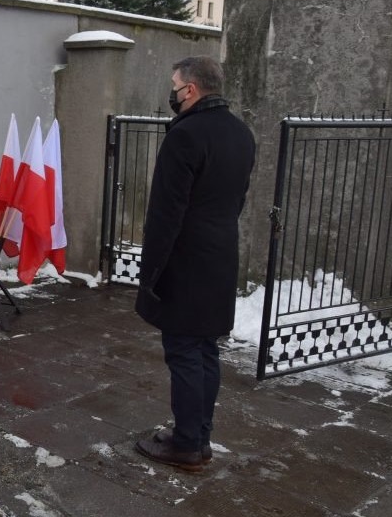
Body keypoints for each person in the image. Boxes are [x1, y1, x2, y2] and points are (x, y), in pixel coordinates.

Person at [134, 56, 256, 472]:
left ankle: (187, 444)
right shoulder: (241, 133)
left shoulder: (185, 135)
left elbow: (166, 214)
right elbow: (235, 201)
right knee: (205, 350)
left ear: (191, 89)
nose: (173, 92)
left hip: (185, 260)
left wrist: (150, 273)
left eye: (175, 84)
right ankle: (198, 436)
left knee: (184, 349)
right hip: (220, 253)